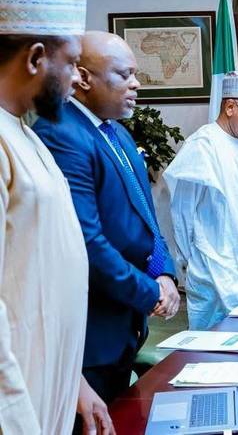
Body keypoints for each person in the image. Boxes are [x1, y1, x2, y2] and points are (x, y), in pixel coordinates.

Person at [33, 31, 179, 407]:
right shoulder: (62, 134)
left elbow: (146, 217)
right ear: (83, 78)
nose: (136, 84)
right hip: (92, 336)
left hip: (124, 327)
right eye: (124, 74)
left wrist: (164, 273)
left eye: (136, 74)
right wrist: (149, 292)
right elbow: (87, 243)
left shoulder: (117, 132)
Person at [0, 0, 113, 435]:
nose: (75, 79)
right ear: (35, 58)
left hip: (49, 385)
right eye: (70, 63)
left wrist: (75, 382)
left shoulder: (25, 134)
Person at [163, 69, 238, 330]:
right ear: (230, 107)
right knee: (216, 345)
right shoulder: (203, 146)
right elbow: (182, 215)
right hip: (215, 273)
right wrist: (193, 263)